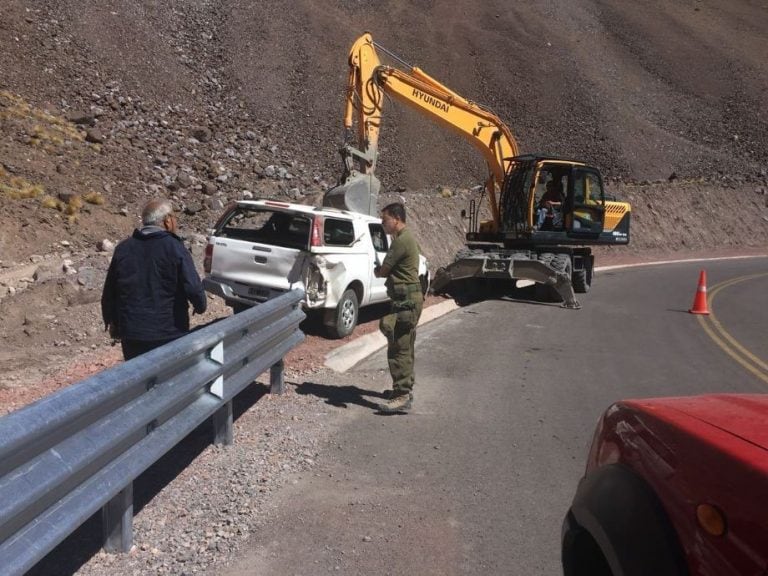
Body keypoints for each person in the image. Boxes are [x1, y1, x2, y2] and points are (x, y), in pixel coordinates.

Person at [101, 198, 207, 360]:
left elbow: (110, 291)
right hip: (169, 331)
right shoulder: (175, 248)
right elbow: (192, 286)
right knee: (170, 379)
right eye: (174, 218)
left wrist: (111, 321)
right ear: (167, 221)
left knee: (138, 379)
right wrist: (200, 306)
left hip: (132, 333)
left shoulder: (123, 249)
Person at [374, 202, 424, 413]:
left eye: (385, 220)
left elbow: (384, 271)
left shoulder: (401, 241)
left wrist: (378, 270)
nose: (383, 224)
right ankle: (404, 389)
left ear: (396, 218)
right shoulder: (406, 238)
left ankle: (402, 395)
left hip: (406, 301)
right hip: (409, 299)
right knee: (406, 345)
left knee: (399, 349)